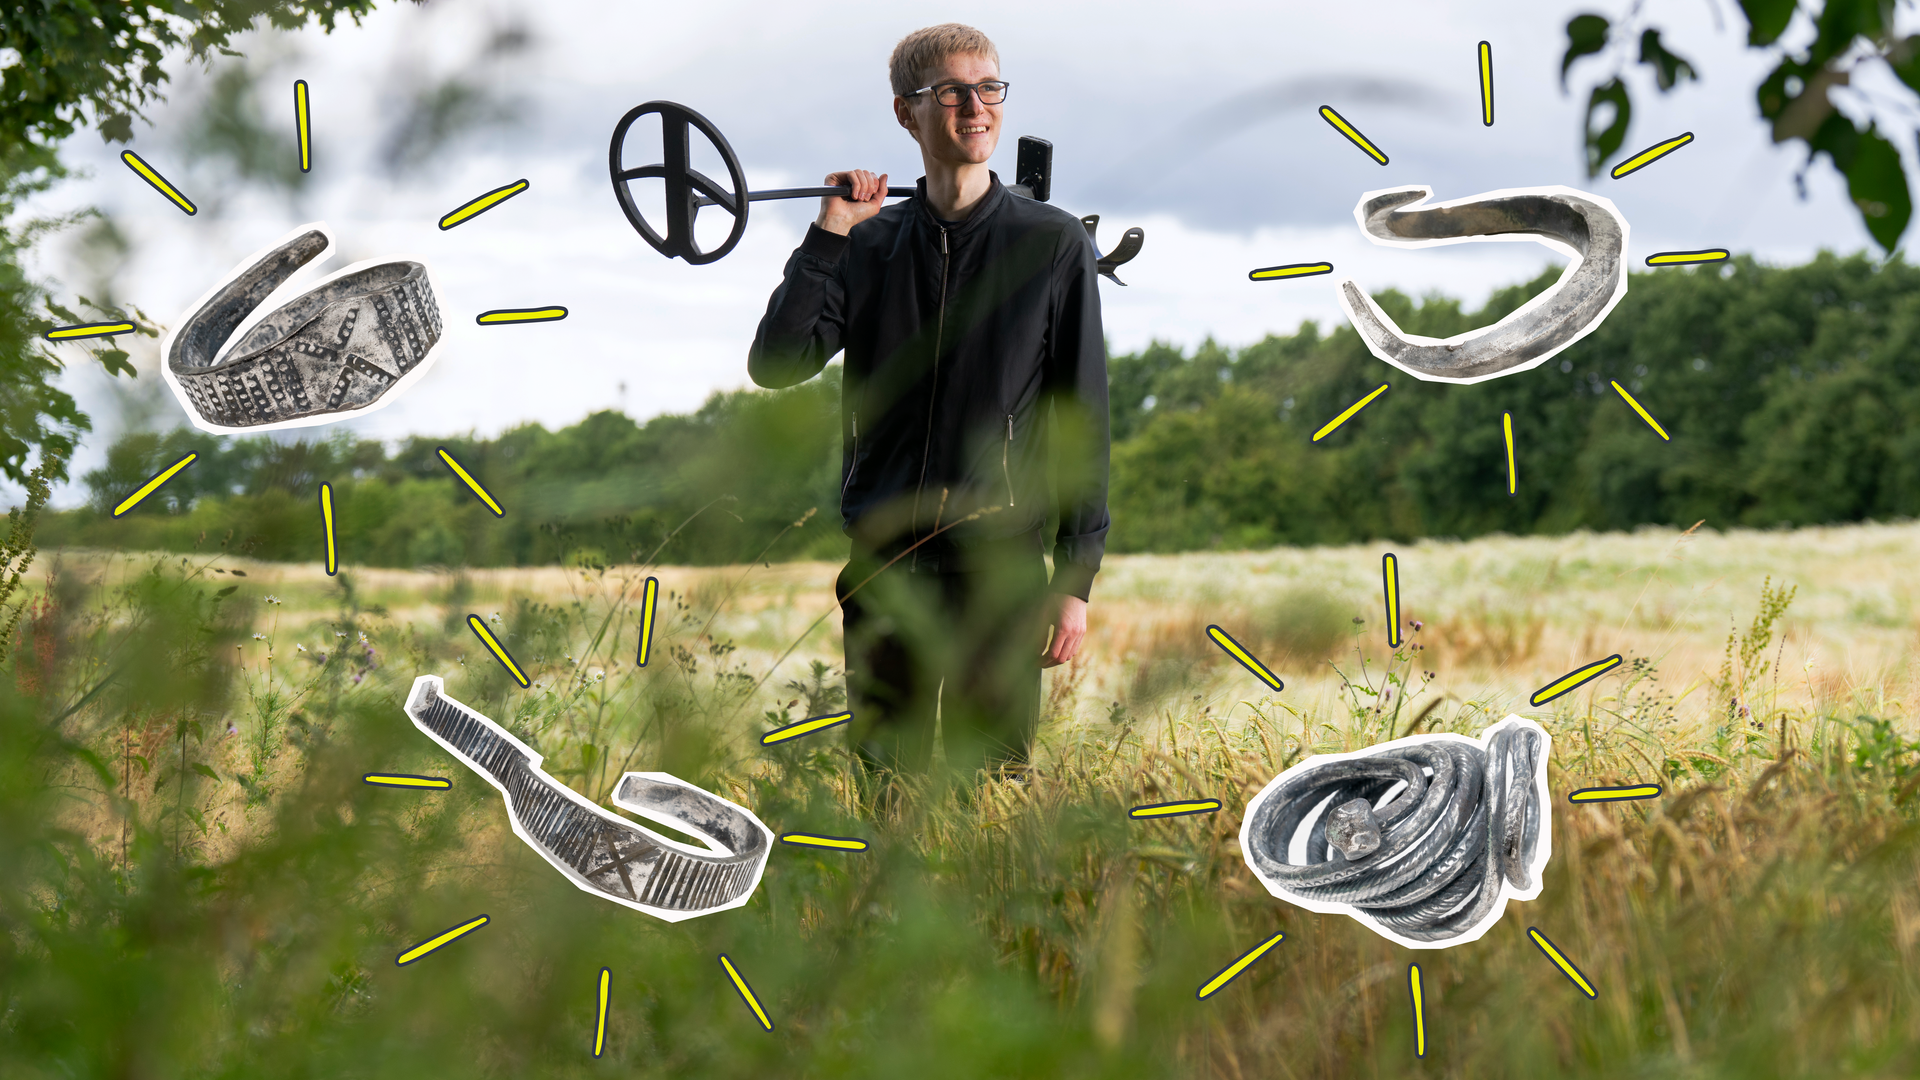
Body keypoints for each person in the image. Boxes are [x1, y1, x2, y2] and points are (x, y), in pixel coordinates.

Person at [748, 23, 1110, 802]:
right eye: (951, 91)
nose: (975, 107)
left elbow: (1083, 411)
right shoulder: (867, 242)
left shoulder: (1050, 244)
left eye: (989, 89)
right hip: (887, 569)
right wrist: (827, 236)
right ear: (906, 113)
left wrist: (1075, 576)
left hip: (1003, 569)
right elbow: (776, 366)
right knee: (889, 790)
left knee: (995, 792)